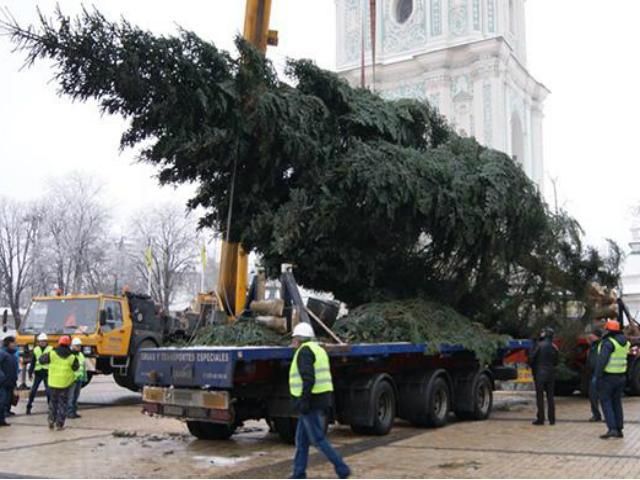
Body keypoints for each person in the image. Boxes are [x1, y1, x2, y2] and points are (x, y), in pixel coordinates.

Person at [289, 322, 350, 479]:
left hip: (311, 403)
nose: (292, 342)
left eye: (294, 338)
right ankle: (298, 474)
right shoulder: (318, 349)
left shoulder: (305, 352)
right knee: (301, 441)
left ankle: (341, 468)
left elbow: (308, 379)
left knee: (317, 439)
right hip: (319, 399)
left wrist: (304, 401)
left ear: (301, 339)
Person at [595, 319, 629, 439]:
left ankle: (612, 429)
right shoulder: (625, 342)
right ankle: (619, 429)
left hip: (608, 378)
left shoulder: (608, 343)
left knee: (606, 402)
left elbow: (601, 361)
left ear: (608, 330)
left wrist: (597, 376)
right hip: (621, 376)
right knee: (617, 403)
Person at [39, 335, 79, 430]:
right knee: (63, 404)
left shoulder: (52, 354)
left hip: (53, 383)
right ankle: (59, 424)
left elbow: (41, 360)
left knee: (53, 403)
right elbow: (76, 367)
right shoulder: (72, 357)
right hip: (65, 384)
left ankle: (51, 421)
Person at [529, 326, 559, 426]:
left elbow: (531, 358)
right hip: (551, 373)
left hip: (540, 373)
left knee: (540, 397)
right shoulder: (554, 347)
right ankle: (552, 419)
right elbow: (556, 361)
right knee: (550, 397)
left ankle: (541, 418)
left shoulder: (539, 345)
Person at [26, 333, 52, 415]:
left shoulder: (51, 349)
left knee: (48, 391)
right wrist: (30, 373)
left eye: (44, 341)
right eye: (41, 341)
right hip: (38, 373)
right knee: (33, 391)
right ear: (38, 342)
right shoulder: (36, 350)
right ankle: (29, 406)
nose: (42, 343)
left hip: (47, 372)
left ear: (46, 341)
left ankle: (50, 407)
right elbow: (33, 362)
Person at [0, 336, 18, 427]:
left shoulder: (12, 355)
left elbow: (14, 369)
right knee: (2, 402)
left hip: (9, 383)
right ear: (9, 343)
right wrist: (2, 377)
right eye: (14, 342)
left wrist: (14, 382)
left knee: (5, 402)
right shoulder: (2, 353)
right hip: (2, 383)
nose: (15, 344)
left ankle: (2, 420)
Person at [67, 337, 87, 419]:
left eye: (79, 346)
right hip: (72, 379)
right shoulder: (70, 355)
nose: (79, 347)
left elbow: (83, 366)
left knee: (76, 396)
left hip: (79, 378)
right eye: (77, 346)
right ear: (73, 346)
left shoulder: (81, 355)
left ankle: (74, 412)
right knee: (70, 396)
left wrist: (84, 376)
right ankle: (69, 412)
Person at [587, 329, 603, 422]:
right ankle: (596, 415)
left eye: (591, 335)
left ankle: (600, 415)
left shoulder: (600, 345)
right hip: (593, 373)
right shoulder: (592, 346)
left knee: (602, 396)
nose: (589, 337)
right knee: (593, 396)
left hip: (599, 374)